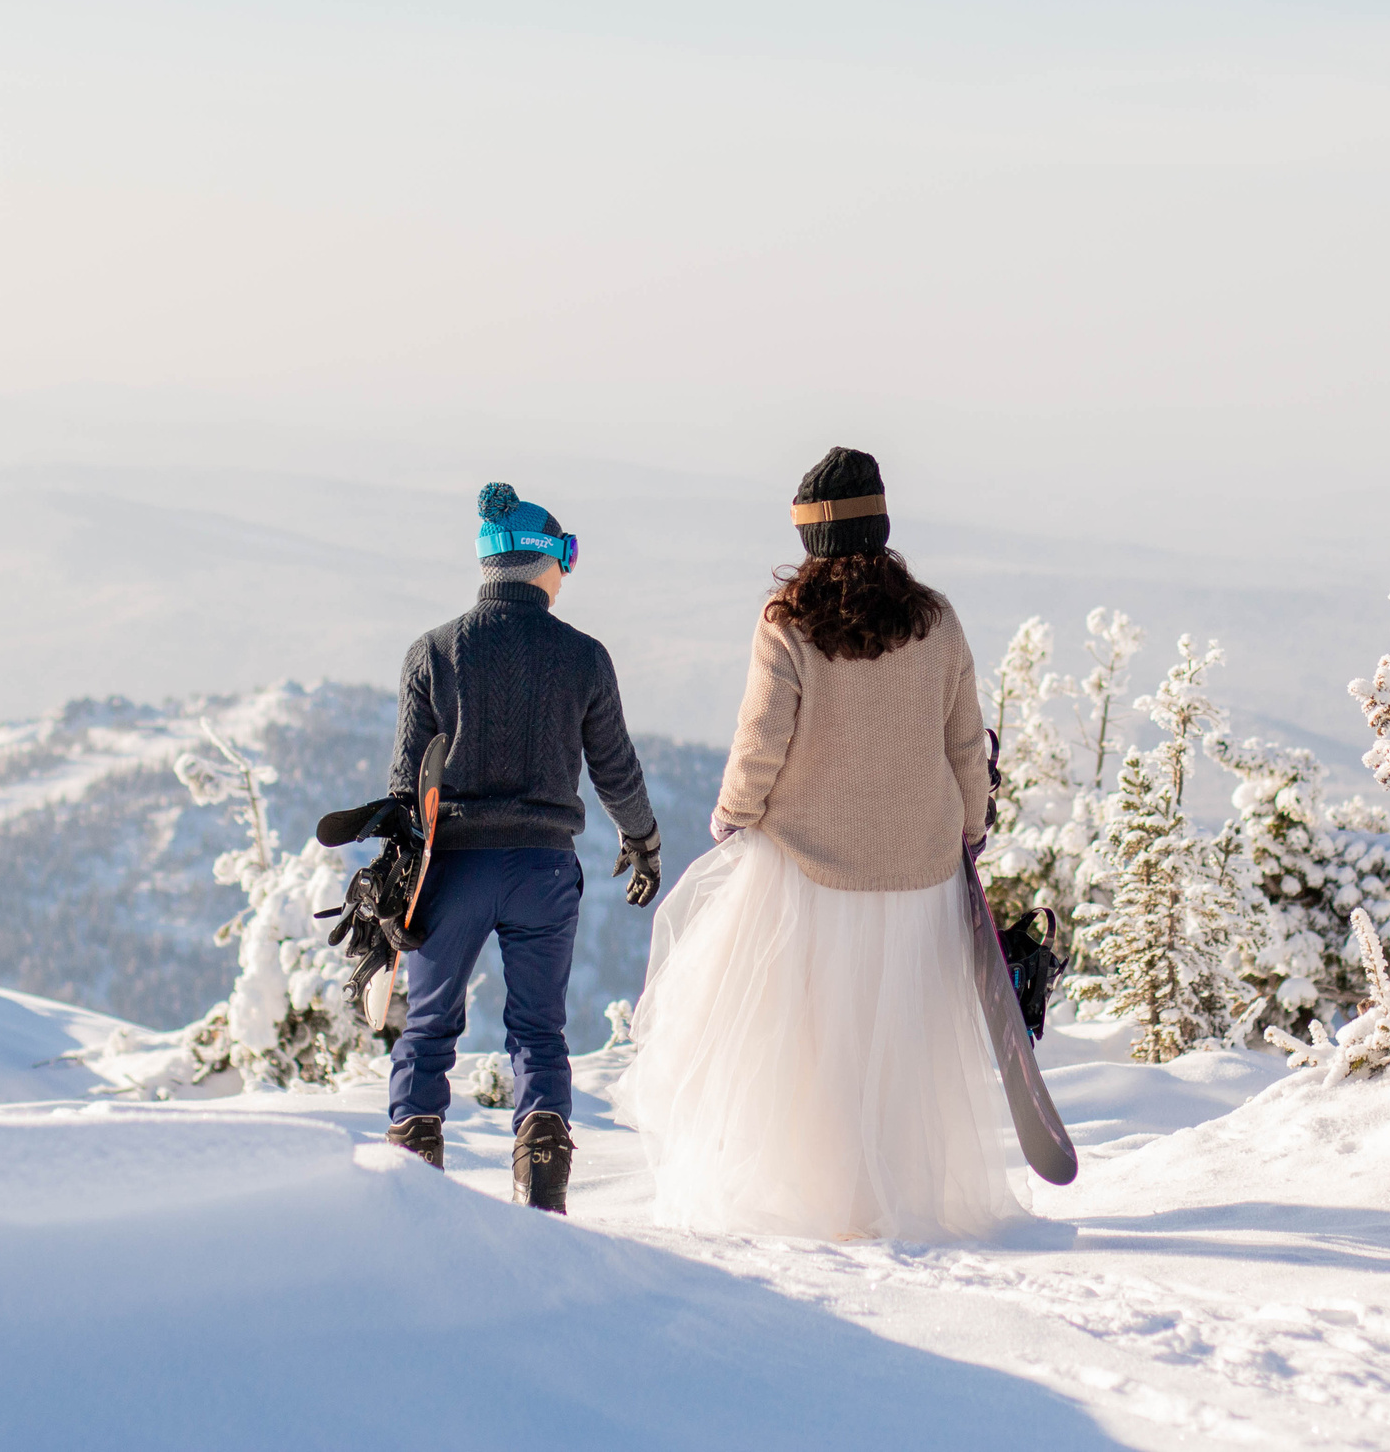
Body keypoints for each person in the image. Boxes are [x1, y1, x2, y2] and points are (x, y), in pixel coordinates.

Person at [623, 447, 1025, 1241]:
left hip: (808, 867)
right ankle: (897, 1194)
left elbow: (761, 738)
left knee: (805, 1045)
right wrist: (970, 828)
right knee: (900, 1041)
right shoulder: (936, 620)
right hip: (918, 867)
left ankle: (823, 1197)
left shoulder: (789, 624)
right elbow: (962, 746)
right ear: (881, 524)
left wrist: (734, 814)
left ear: (809, 538)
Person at [383, 482, 662, 1214]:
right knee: (539, 1027)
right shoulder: (584, 655)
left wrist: (396, 881)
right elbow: (615, 767)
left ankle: (412, 1178)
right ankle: (542, 1176)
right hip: (543, 868)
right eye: (566, 553)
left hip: (456, 870)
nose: (568, 571)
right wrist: (642, 838)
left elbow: (407, 785)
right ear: (540, 560)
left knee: (430, 1021)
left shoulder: (433, 650)